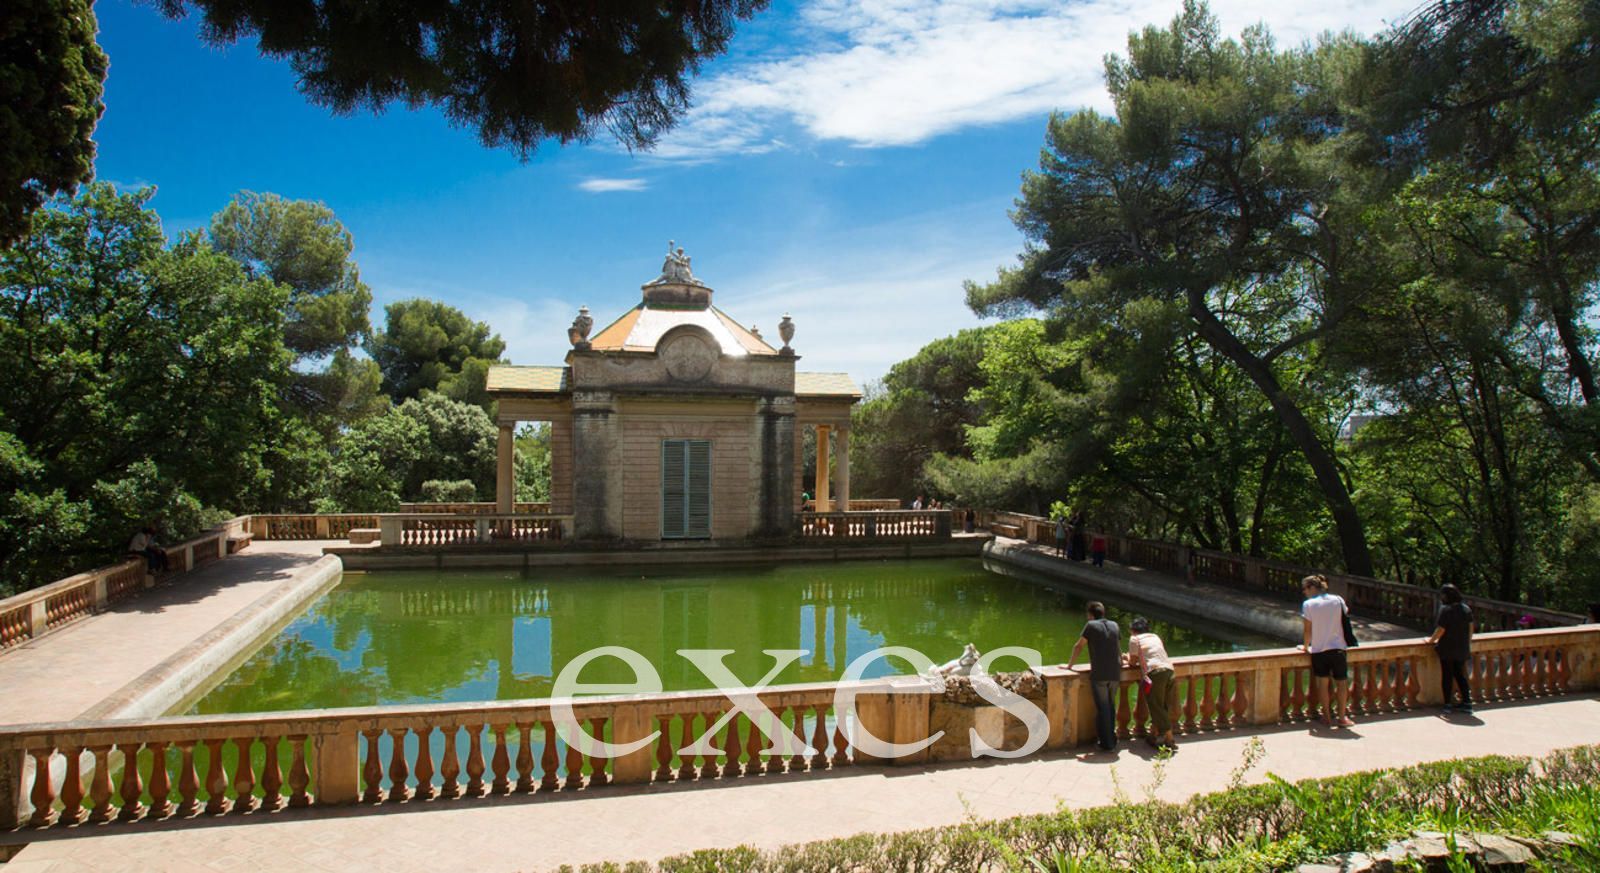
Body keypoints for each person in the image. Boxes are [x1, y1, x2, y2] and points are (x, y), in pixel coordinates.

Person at [1066, 601, 1122, 751]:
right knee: (1111, 706)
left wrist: (1069, 666)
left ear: (1090, 615)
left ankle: (1106, 743)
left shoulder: (1090, 626)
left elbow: (1079, 646)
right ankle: (1112, 739)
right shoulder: (1115, 625)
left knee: (1103, 708)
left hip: (1100, 673)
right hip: (1115, 672)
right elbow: (1118, 648)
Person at [1301, 574, 1354, 727]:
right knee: (1342, 683)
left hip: (1319, 650)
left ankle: (1327, 717)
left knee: (1323, 684)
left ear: (1312, 587)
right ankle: (1342, 717)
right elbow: (1345, 617)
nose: (1304, 592)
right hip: (1338, 648)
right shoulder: (1338, 600)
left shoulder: (1308, 604)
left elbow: (1307, 630)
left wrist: (1305, 647)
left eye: (1305, 588)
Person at [1126, 617, 1177, 750]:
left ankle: (1169, 737)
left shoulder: (1135, 639)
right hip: (1169, 670)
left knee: (1156, 706)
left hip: (1155, 672)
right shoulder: (1155, 636)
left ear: (1133, 630)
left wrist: (1127, 657)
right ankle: (1154, 735)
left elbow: (1132, 662)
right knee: (1163, 706)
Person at [1427, 584, 1474, 713]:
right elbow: (1471, 628)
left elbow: (1440, 629)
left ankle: (1447, 704)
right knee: (1460, 675)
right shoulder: (1466, 609)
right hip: (1462, 648)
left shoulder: (1446, 610)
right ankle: (1467, 702)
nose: (1441, 597)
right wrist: (1467, 643)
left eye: (1443, 595)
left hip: (1447, 648)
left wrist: (1431, 641)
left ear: (1447, 596)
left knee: (1447, 675)